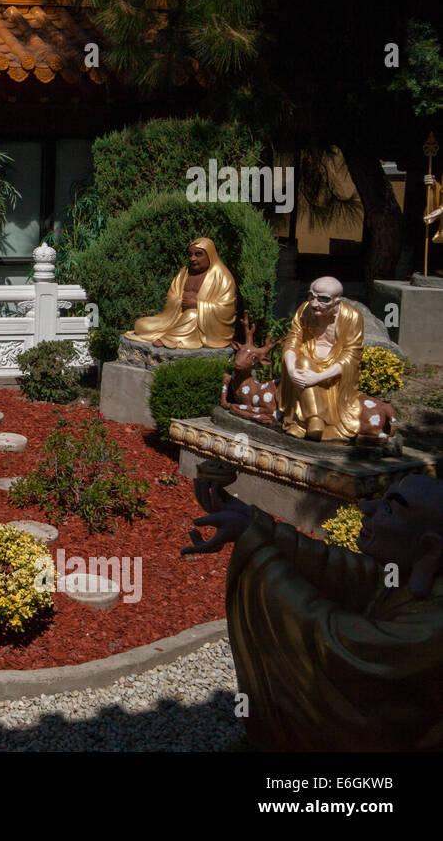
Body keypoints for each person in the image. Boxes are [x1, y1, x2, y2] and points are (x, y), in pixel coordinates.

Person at [183, 474, 443, 750]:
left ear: (429, 548)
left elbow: (336, 641)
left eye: (389, 508)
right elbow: (339, 569)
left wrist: (257, 548)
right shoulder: (402, 579)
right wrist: (251, 523)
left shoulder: (431, 625)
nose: (366, 508)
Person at [278, 276, 363, 441]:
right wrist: (291, 370)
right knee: (302, 362)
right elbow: (292, 341)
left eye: (323, 299)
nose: (314, 303)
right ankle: (315, 421)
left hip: (333, 371)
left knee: (305, 368)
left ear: (337, 301)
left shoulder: (352, 316)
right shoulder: (304, 310)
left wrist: (319, 376)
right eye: (311, 296)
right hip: (305, 366)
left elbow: (352, 355)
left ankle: (306, 423)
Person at [124, 237, 237, 349]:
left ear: (210, 255)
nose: (192, 259)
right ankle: (172, 333)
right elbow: (172, 295)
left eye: (198, 254)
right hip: (174, 318)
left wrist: (197, 304)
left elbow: (227, 309)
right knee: (140, 325)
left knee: (192, 315)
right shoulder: (185, 271)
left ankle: (169, 339)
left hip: (202, 324)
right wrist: (179, 302)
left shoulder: (222, 276)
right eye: (190, 254)